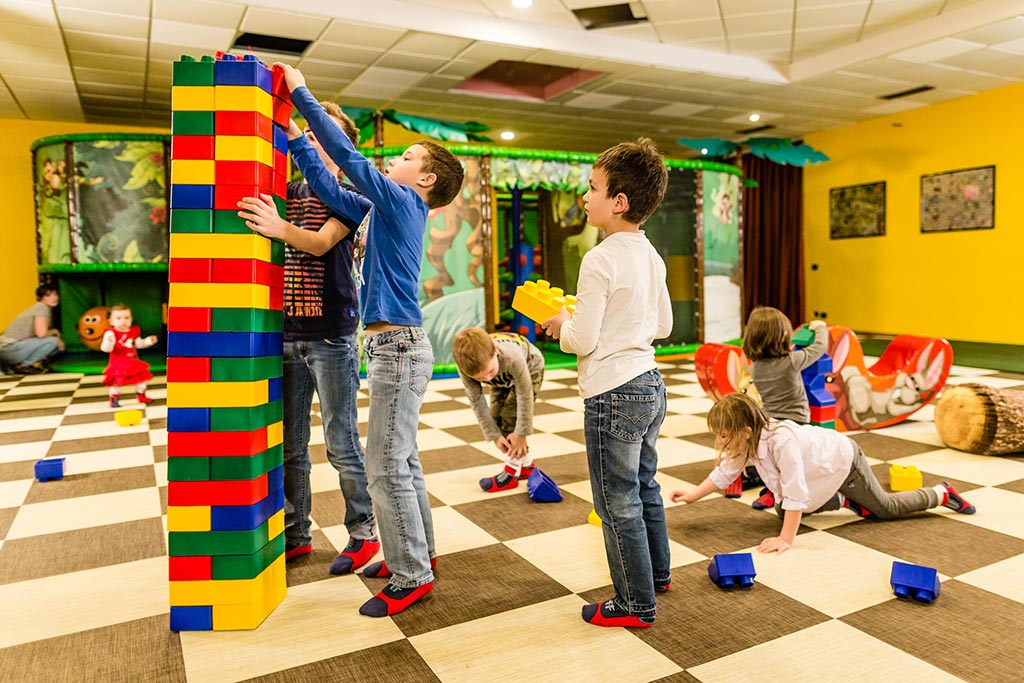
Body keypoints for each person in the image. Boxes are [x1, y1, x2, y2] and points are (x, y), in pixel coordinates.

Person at [271, 62, 464, 618]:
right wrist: (294, 139)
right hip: (390, 349)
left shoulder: (405, 203)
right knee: (401, 460)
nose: (393, 162)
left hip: (398, 350)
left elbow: (350, 161)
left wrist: (302, 92)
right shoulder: (381, 209)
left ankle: (411, 576)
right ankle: (419, 553)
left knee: (383, 463)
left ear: (424, 180)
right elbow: (334, 186)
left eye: (406, 159)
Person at [237, 102, 379, 577]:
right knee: (290, 445)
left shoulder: (352, 196)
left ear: (342, 151)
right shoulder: (289, 188)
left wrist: (278, 228)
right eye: (310, 136)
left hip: (331, 337)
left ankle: (364, 531)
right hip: (286, 335)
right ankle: (297, 532)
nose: (313, 142)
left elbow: (319, 243)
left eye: (323, 137)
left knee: (341, 442)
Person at [543, 138, 672, 629]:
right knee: (644, 486)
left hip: (612, 393)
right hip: (650, 383)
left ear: (619, 202)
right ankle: (655, 575)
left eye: (593, 188)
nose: (586, 196)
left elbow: (581, 340)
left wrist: (561, 321)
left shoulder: (598, 259)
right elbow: (663, 326)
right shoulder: (651, 255)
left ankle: (636, 603)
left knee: (615, 500)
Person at [670, 392, 977, 554]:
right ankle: (845, 502)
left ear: (746, 431)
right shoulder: (749, 441)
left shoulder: (781, 442)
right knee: (784, 509)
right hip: (820, 471)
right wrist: (692, 495)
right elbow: (725, 473)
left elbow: (795, 491)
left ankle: (941, 494)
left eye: (724, 435)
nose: (721, 442)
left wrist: (785, 540)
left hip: (844, 461)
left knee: (885, 508)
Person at [740, 307, 828, 508]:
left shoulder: (756, 367)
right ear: (783, 337)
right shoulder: (791, 362)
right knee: (792, 464)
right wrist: (821, 327)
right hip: (796, 421)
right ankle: (777, 492)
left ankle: (768, 487)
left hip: (770, 422)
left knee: (775, 461)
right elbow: (819, 347)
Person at [451, 328, 544, 492]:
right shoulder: (468, 368)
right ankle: (527, 465)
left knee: (511, 416)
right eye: (480, 378)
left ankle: (512, 472)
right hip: (502, 379)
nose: (487, 379)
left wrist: (522, 434)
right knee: (496, 419)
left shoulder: (512, 357)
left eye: (489, 372)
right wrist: (494, 435)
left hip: (530, 369)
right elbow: (476, 401)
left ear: (495, 351)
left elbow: (524, 395)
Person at [100, 303, 157, 407]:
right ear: (111, 321)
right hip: (118, 364)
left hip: (133, 362)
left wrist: (148, 341)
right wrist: (108, 342)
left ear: (131, 319)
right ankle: (114, 399)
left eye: (127, 318)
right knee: (116, 383)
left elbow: (138, 344)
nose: (123, 321)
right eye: (119, 318)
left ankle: (141, 395)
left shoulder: (133, 331)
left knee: (141, 380)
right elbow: (106, 349)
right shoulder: (111, 333)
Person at [0, 285, 64, 375]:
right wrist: (55, 333)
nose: (54, 298)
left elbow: (35, 335)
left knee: (56, 347)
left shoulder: (39, 307)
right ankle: (24, 366)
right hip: (8, 350)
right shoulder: (41, 307)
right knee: (53, 341)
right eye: (48, 295)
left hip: (7, 351)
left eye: (55, 294)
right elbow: (41, 334)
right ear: (40, 298)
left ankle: (15, 366)